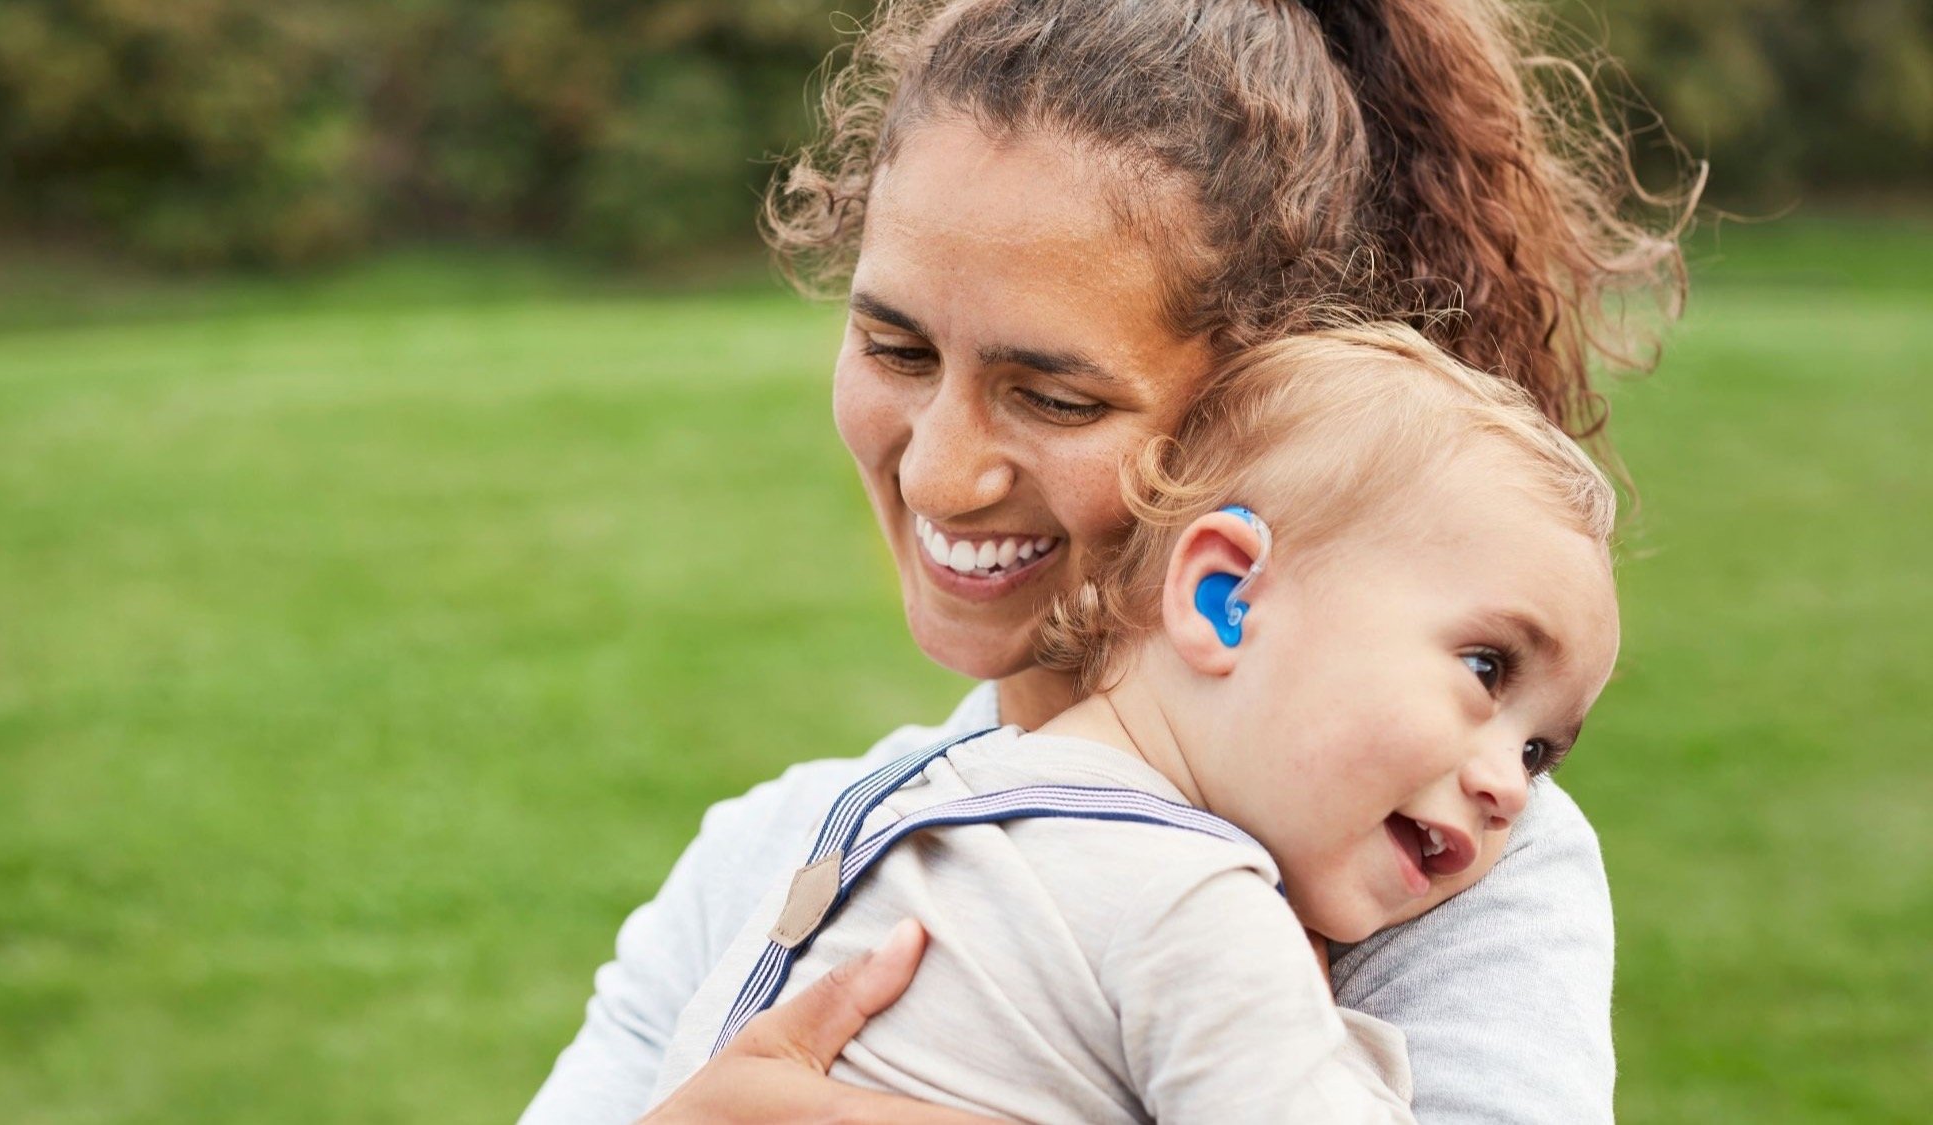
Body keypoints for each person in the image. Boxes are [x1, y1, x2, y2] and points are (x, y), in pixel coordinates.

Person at [522, 0, 1696, 1121]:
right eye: (894, 347)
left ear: (1270, 410)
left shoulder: (1433, 860)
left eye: (1054, 397)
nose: (936, 476)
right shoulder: (777, 849)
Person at [643, 325, 1622, 1122]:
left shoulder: (905, 813)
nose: (1509, 785)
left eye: (1539, 749)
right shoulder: (1197, 911)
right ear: (1225, 597)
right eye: (1484, 668)